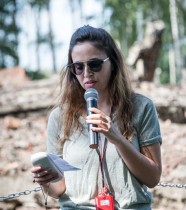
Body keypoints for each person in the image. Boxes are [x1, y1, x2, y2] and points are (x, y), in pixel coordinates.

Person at [31, 25, 162, 210]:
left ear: (113, 62)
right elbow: (59, 189)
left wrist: (118, 139)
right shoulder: (59, 117)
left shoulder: (141, 107)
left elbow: (153, 178)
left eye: (94, 64)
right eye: (78, 67)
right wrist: (46, 182)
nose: (86, 73)